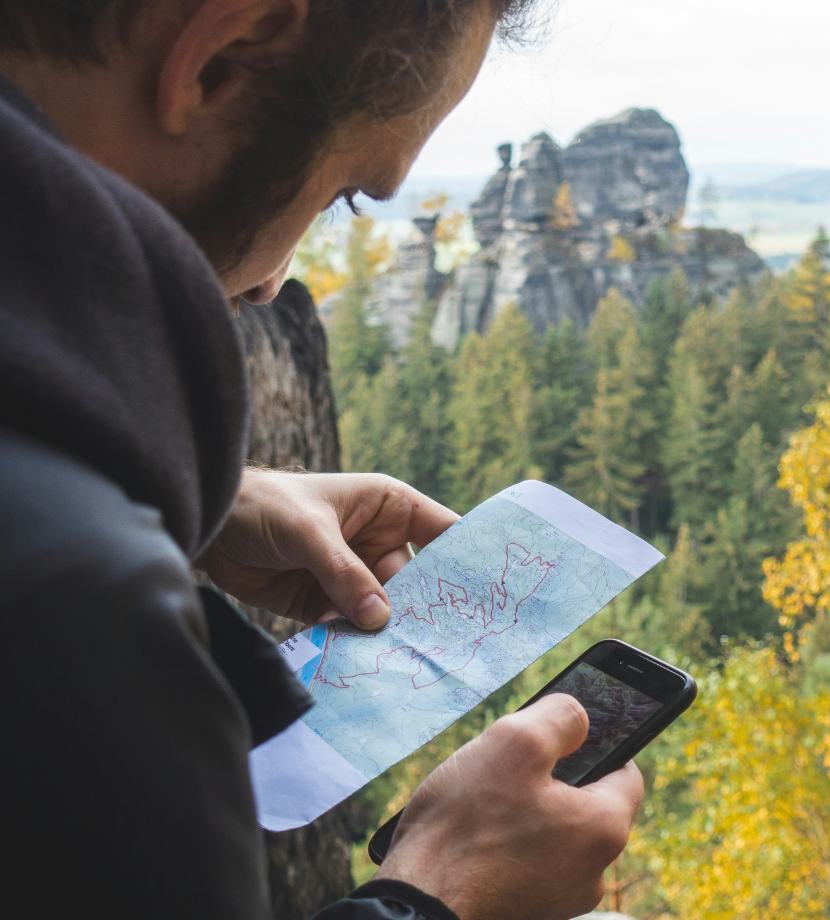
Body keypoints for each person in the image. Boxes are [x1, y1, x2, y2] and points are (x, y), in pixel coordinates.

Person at [0, 2, 644, 919]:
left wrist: (200, 505)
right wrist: (438, 898)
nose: (272, 282)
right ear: (218, 61)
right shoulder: (79, 621)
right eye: (345, 189)